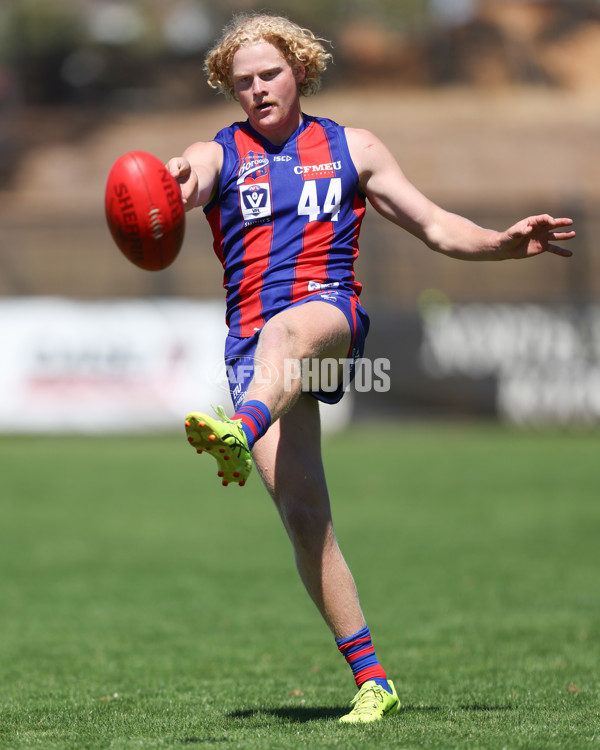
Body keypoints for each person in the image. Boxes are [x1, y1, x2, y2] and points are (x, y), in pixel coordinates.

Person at [167, 13, 575, 723]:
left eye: (269, 74)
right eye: (242, 83)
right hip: (251, 352)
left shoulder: (351, 147)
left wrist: (504, 245)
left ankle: (237, 430)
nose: (257, 90)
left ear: (298, 69)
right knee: (304, 516)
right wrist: (164, 185)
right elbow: (186, 179)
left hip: (329, 321)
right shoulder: (219, 152)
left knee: (291, 330)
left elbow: (438, 226)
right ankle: (373, 681)